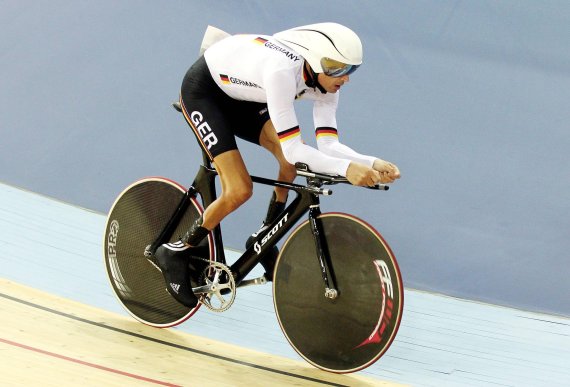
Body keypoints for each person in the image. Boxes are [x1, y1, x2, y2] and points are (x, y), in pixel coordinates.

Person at [151, 22, 401, 307]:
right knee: (239, 189)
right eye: (338, 68)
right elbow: (296, 149)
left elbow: (329, 146)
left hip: (243, 94)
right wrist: (347, 169)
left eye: (351, 69)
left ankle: (264, 234)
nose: (345, 78)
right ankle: (176, 250)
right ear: (316, 60)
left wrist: (370, 162)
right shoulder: (282, 73)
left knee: (289, 165)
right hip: (205, 93)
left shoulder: (329, 84)